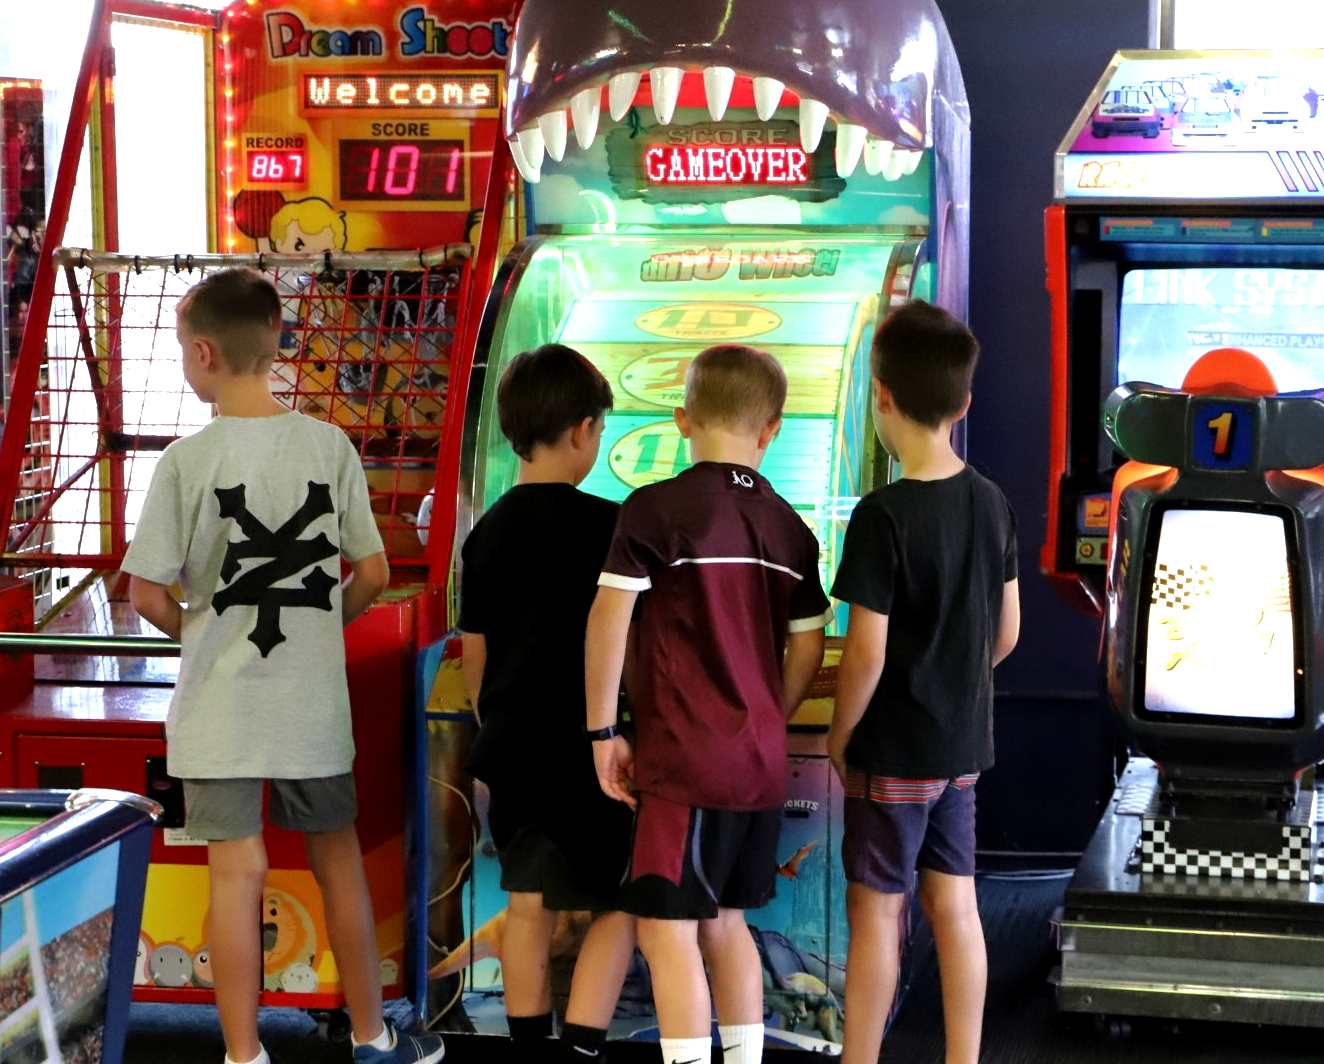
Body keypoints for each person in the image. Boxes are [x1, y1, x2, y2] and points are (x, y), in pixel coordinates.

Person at [122, 267, 444, 1064]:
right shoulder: (328, 446)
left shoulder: (184, 462)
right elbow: (372, 573)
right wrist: (318, 627)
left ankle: (243, 1055)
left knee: (236, 876)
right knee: (339, 862)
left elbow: (146, 593)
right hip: (311, 705)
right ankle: (372, 1036)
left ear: (203, 354)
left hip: (218, 711)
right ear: (276, 345)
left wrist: (203, 634)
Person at [585, 344, 831, 1064]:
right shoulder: (790, 527)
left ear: (681, 419)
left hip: (685, 762)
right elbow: (809, 646)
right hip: (759, 763)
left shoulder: (655, 509)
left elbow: (608, 620)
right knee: (726, 923)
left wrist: (602, 731)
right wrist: (769, 714)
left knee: (666, 931)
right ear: (772, 430)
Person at [826, 300, 1020, 1064]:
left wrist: (842, 733)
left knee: (877, 911)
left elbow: (864, 655)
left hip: (893, 750)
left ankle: (860, 1058)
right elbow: (1007, 633)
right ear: (963, 403)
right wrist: (954, 676)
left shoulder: (882, 515)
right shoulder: (992, 501)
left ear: (880, 396)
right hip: (960, 749)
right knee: (955, 906)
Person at [458, 343, 637, 1063]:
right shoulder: (611, 526)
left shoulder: (487, 531)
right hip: (588, 748)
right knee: (616, 901)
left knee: (528, 903)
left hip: (513, 744)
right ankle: (584, 1044)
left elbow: (475, 652)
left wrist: (493, 719)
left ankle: (528, 1044)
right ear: (584, 430)